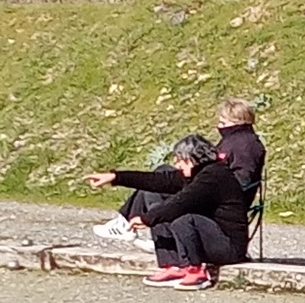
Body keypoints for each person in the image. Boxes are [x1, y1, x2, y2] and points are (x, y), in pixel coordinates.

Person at [86, 133, 251, 289]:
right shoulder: (197, 173)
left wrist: (147, 219)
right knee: (152, 193)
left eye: (180, 160)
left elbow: (181, 203)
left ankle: (196, 272)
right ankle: (172, 265)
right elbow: (157, 180)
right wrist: (115, 177)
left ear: (192, 160)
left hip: (229, 247)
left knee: (185, 219)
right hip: (211, 239)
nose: (177, 164)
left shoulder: (213, 177)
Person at [93, 99, 265, 245]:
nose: (218, 127)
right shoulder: (234, 140)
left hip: (217, 199)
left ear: (238, 122)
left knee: (157, 187)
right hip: (209, 188)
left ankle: (157, 237)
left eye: (223, 123)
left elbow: (241, 180)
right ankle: (127, 222)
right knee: (160, 176)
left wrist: (202, 185)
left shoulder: (245, 146)